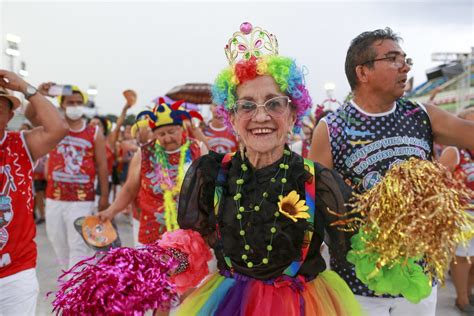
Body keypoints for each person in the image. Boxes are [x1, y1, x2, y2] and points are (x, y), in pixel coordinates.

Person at [172, 22, 361, 315]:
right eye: (246, 106)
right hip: (226, 304)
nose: (261, 116)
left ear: (293, 114)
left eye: (274, 103)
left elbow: (358, 247)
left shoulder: (319, 181)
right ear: (232, 118)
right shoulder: (210, 174)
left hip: (303, 306)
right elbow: (189, 248)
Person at [308, 27, 474, 316]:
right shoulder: (331, 128)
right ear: (363, 72)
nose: (406, 66)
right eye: (394, 59)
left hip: (417, 282)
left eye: (405, 58)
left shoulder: (421, 115)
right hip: (357, 285)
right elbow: (313, 204)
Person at [0, 70, 68, 315]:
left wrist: (26, 88)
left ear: (9, 115)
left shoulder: (19, 144)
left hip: (15, 274)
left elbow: (58, 128)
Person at [98, 99, 202, 245]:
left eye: (172, 132)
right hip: (151, 231)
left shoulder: (198, 149)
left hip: (189, 232)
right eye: (161, 134)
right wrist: (110, 211)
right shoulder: (144, 153)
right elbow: (129, 189)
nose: (167, 138)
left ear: (182, 129)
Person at [28, 83, 109, 270]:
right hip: (54, 199)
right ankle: (68, 282)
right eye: (71, 102)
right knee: (59, 245)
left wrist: (104, 196)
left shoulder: (94, 132)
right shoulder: (55, 127)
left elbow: (102, 165)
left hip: (82, 201)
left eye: (79, 102)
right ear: (62, 104)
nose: (75, 106)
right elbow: (30, 115)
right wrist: (38, 92)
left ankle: (74, 290)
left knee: (79, 247)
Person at [438, 107, 474, 314]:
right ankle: (461, 299)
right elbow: (436, 181)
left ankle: (469, 293)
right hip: (462, 213)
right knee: (462, 257)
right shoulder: (454, 151)